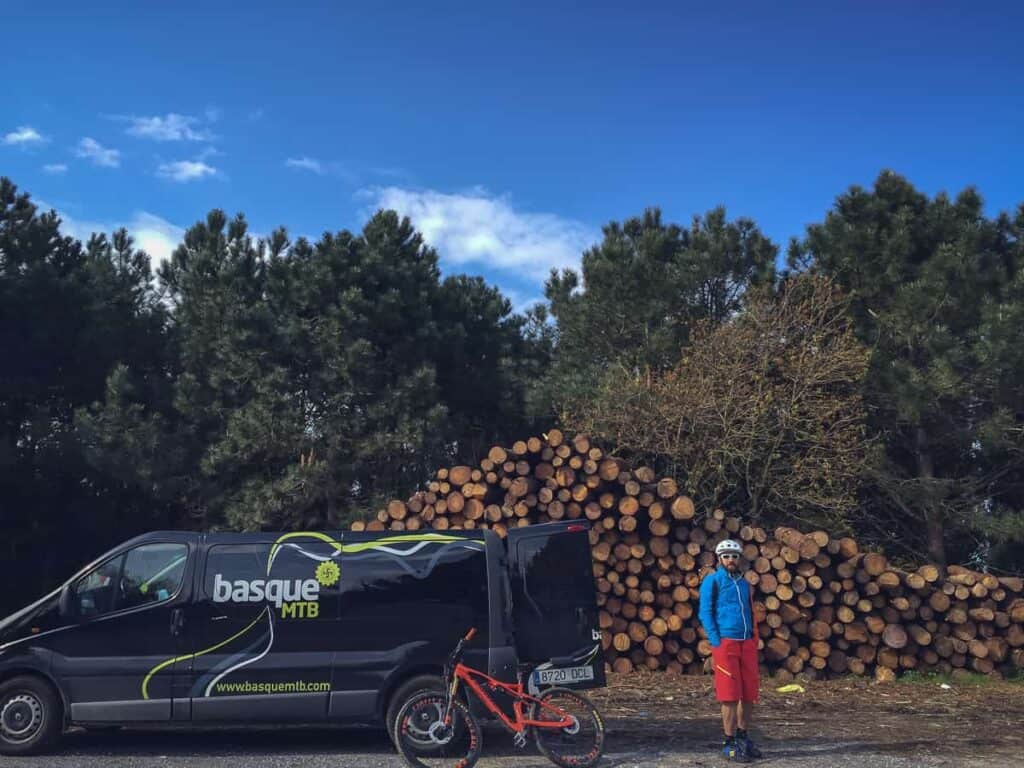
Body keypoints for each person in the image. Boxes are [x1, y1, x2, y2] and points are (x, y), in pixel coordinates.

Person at [698, 539, 763, 762]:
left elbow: (752, 612)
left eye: (734, 556)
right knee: (729, 695)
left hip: (746, 644)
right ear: (719, 558)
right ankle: (729, 741)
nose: (731, 560)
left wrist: (754, 638)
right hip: (726, 643)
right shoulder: (712, 582)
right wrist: (716, 640)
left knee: (749, 693)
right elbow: (705, 612)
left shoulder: (744, 584)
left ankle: (743, 737)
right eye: (726, 556)